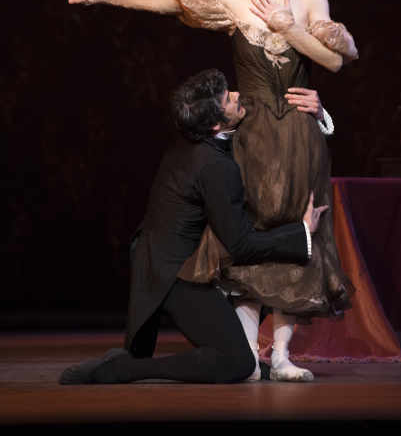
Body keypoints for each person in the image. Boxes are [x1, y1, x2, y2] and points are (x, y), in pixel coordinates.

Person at [54, 0, 358, 381]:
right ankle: (247, 351)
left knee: (301, 226)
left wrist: (289, 28)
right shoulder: (236, 1)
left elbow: (334, 60)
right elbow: (171, 1)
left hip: (299, 134)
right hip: (253, 134)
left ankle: (281, 355)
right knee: (253, 229)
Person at [60, 68, 328, 385]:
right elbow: (241, 245)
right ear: (216, 123)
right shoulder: (214, 166)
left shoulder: (196, 138)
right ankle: (126, 369)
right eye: (229, 98)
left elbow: (266, 110)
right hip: (175, 273)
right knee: (238, 362)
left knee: (237, 356)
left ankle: (131, 364)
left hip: (164, 256)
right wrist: (301, 232)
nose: (239, 96)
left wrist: (318, 111)